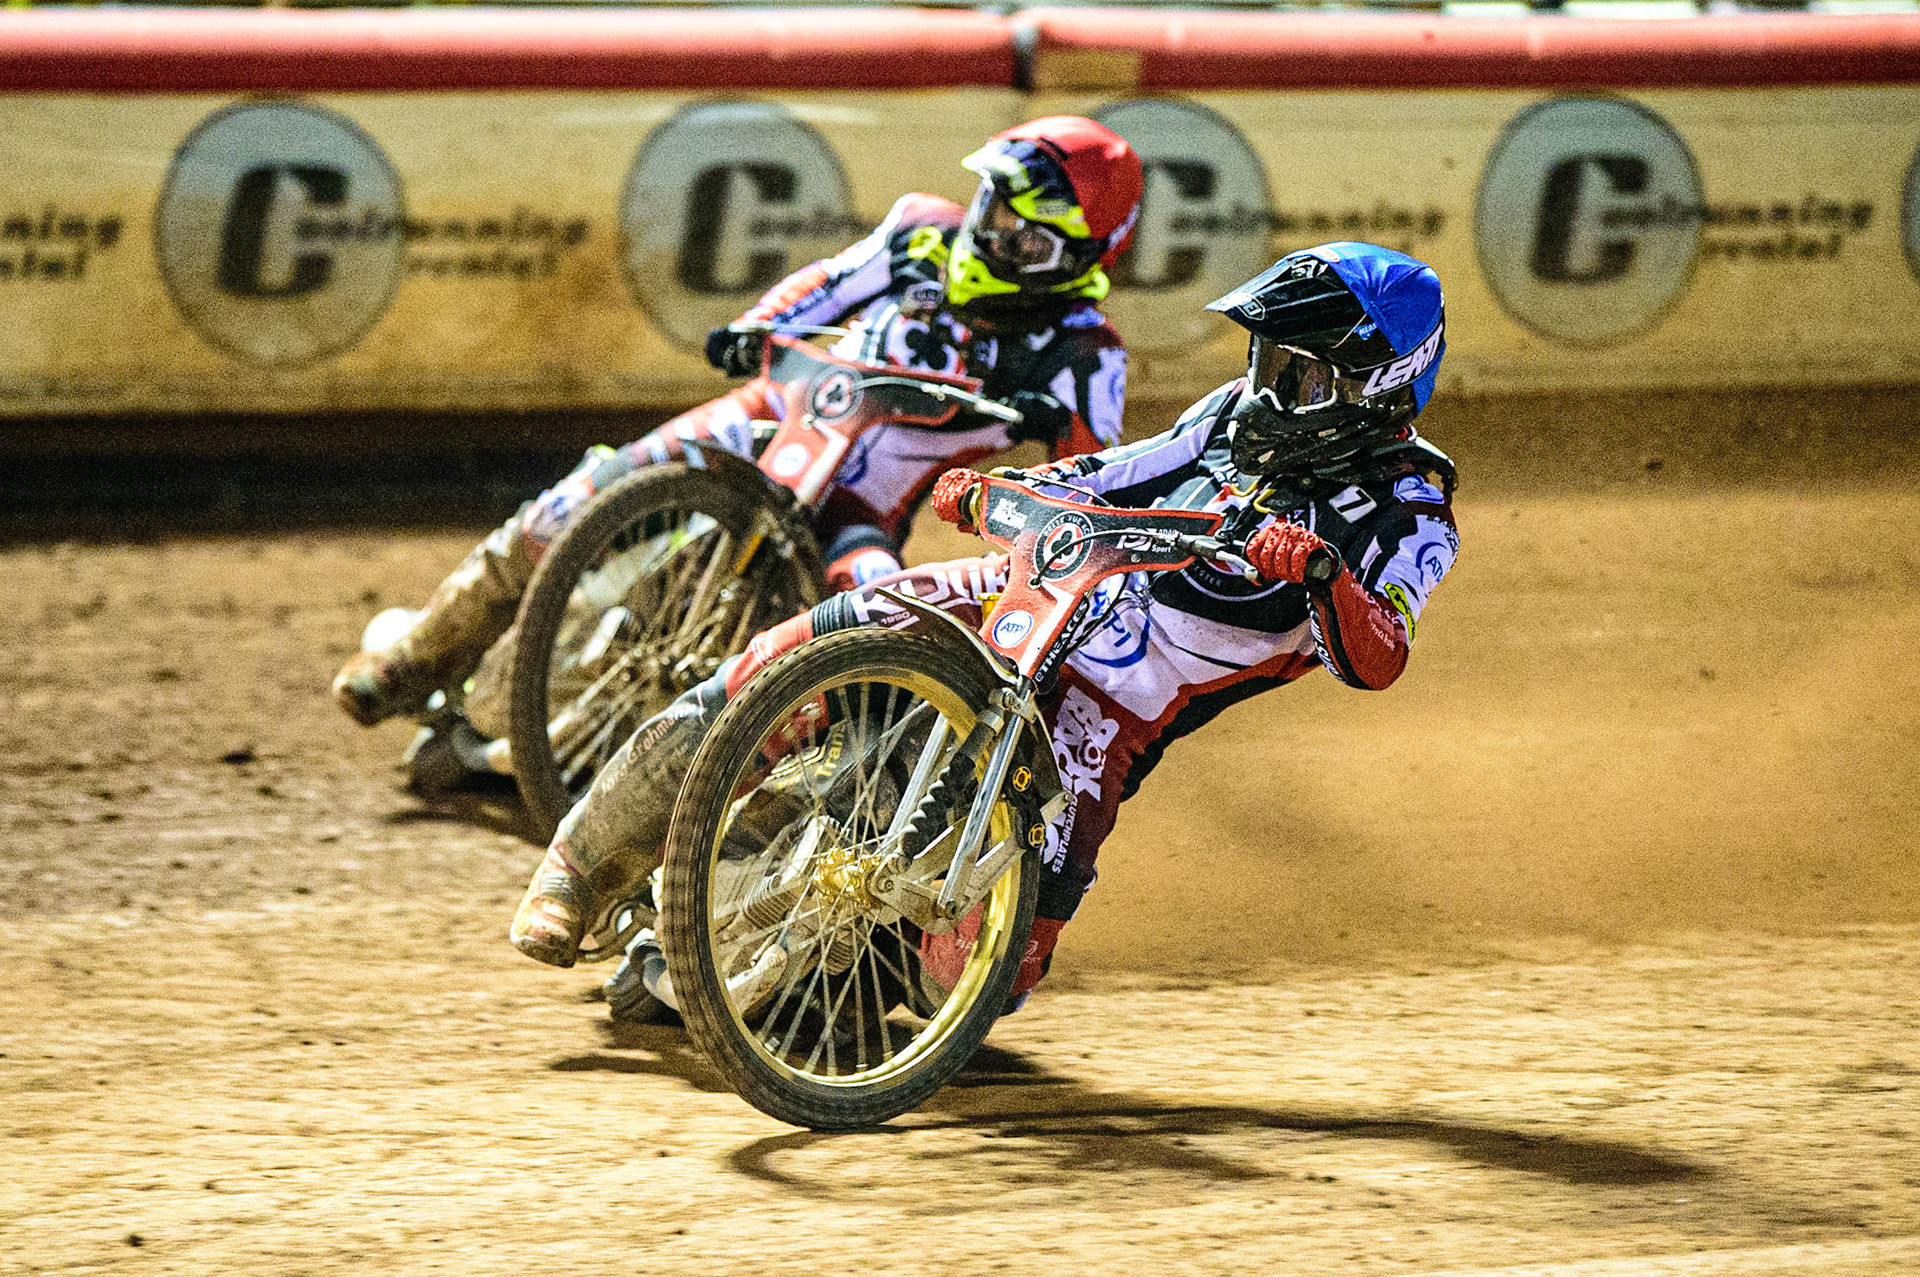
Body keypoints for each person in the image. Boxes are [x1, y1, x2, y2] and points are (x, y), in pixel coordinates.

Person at [506, 242, 1460, 1012]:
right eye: (1266, 361)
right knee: (788, 655)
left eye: (1301, 375)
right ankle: (579, 866)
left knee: (983, 969)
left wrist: (1323, 570)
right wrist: (1006, 490)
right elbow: (1116, 471)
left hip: (1118, 701)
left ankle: (834, 980)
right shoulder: (1231, 416)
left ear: (1379, 385)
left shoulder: (1412, 506)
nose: (1267, 388)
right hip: (1042, 587)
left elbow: (1379, 657)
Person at [331, 116, 1144, 734]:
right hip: (767, 414)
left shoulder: (1085, 356)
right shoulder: (918, 231)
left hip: (858, 511)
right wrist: (754, 327)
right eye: (993, 211)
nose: (992, 238)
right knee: (569, 507)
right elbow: (825, 285)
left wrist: (1051, 451)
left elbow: (1088, 494)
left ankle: (778, 796)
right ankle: (412, 656)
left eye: (1023, 238)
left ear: (1078, 259)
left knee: (878, 650)